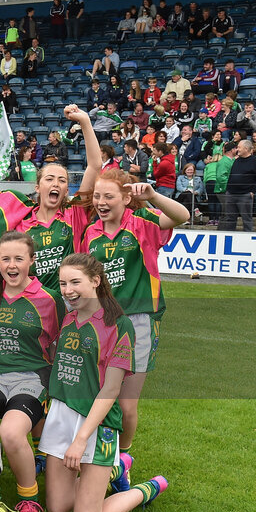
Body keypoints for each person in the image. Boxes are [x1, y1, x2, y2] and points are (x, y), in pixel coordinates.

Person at [42, 253, 168, 512]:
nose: (68, 290)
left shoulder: (119, 325)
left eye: (75, 282)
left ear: (96, 281)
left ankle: (147, 489)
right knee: (57, 508)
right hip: (62, 416)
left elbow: (111, 389)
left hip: (96, 424)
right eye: (63, 284)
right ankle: (113, 471)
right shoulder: (66, 318)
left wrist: (81, 439)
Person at [80, 170, 189, 456]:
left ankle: (124, 457)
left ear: (127, 198)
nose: (101, 202)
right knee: (101, 396)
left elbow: (182, 216)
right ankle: (103, 452)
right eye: (97, 196)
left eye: (108, 196)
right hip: (102, 322)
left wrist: (153, 196)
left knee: (127, 405)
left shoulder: (143, 223)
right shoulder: (91, 233)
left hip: (139, 321)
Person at [0, 232, 65, 512]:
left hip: (31, 377)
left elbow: (61, 344)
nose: (11, 265)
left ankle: (29, 500)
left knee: (11, 433)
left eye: (19, 259)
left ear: (32, 261)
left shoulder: (48, 300)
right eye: (5, 259)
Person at [16, 105, 100, 290]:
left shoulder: (75, 213)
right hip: (35, 304)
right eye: (49, 179)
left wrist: (84, 122)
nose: (55, 184)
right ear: (38, 187)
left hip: (71, 302)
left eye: (62, 180)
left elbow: (95, 165)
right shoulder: (23, 223)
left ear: (66, 189)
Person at [219, 139, 256, 232]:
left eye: (239, 147)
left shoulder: (255, 161)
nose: (237, 149)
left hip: (245, 195)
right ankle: (229, 237)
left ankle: (248, 239)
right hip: (231, 194)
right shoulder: (236, 160)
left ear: (246, 149)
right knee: (229, 219)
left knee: (246, 219)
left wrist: (252, 192)